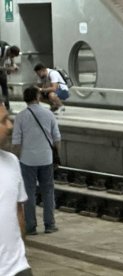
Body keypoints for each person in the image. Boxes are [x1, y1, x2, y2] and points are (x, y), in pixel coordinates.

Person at [12, 86, 61, 235]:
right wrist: (56, 155)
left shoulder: (20, 116)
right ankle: (49, 224)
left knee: (29, 193)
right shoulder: (48, 114)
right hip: (46, 159)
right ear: (38, 97)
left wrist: (16, 160)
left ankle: (31, 227)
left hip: (27, 161)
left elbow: (16, 142)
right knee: (47, 192)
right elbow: (57, 139)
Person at [0, 96, 32, 276]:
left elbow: (18, 210)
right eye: (3, 121)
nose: (10, 126)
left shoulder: (12, 162)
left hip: (18, 268)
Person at [0, 42, 20, 112]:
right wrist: (8, 69)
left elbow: (12, 59)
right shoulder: (0, 50)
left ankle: (7, 108)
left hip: (1, 70)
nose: (12, 57)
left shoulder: (9, 48)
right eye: (12, 56)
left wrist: (13, 65)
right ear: (9, 51)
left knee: (5, 89)